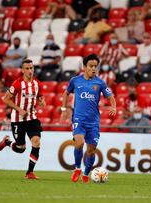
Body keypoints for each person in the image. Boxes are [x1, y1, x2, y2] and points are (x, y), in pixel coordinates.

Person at [60, 54, 116, 183]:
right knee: (79, 143)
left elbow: (110, 96)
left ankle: (86, 174)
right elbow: (66, 93)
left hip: (94, 122)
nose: (94, 69)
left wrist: (114, 107)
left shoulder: (100, 82)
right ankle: (77, 169)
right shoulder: (75, 80)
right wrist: (63, 109)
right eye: (91, 66)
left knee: (91, 150)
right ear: (84, 67)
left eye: (95, 66)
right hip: (79, 119)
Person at [0, 59, 45, 179]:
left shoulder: (37, 84)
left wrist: (42, 101)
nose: (30, 71)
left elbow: (40, 97)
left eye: (31, 68)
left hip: (32, 118)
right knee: (20, 149)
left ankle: (29, 172)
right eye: (27, 69)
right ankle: (7, 142)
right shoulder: (17, 84)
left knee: (36, 142)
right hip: (18, 120)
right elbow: (6, 99)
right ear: (22, 70)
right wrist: (19, 109)